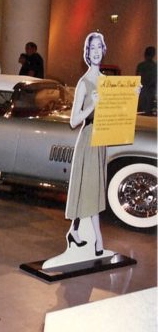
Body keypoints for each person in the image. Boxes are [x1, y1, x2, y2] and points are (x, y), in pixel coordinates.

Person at [64, 32, 110, 257]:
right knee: (90, 188)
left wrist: (132, 95)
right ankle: (98, 240)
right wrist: (93, 106)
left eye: (99, 47)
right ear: (87, 53)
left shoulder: (107, 81)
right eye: (92, 48)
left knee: (89, 187)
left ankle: (74, 230)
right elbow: (74, 121)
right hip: (88, 137)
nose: (96, 51)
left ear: (104, 49)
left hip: (101, 140)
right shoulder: (84, 83)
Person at [136, 46, 156, 113]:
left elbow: (137, 80)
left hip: (141, 94)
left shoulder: (140, 66)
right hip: (151, 95)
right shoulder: (155, 66)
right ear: (154, 55)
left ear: (145, 54)